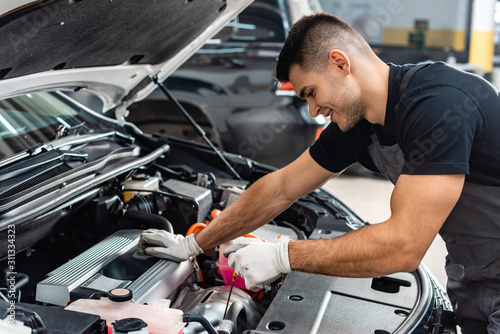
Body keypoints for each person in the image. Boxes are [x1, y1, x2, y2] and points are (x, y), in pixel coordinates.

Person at [138, 13, 500, 333]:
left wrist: (283, 257)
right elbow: (280, 187)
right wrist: (194, 244)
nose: (313, 110)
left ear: (340, 63)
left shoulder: (437, 104)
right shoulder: (360, 127)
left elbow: (403, 247)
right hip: (472, 275)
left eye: (311, 92)